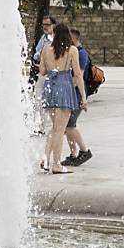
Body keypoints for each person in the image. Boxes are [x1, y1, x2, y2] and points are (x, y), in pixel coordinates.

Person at [39, 23, 87, 174]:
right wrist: (83, 97)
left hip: (50, 87)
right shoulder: (72, 50)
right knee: (59, 130)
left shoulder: (46, 49)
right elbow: (78, 75)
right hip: (64, 86)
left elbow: (42, 71)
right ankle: (56, 164)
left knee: (54, 128)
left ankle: (45, 158)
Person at [61, 28, 93, 167]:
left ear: (73, 39)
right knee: (68, 126)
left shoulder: (81, 54)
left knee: (70, 125)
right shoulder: (74, 52)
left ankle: (84, 151)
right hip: (72, 94)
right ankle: (73, 154)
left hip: (77, 95)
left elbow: (78, 75)